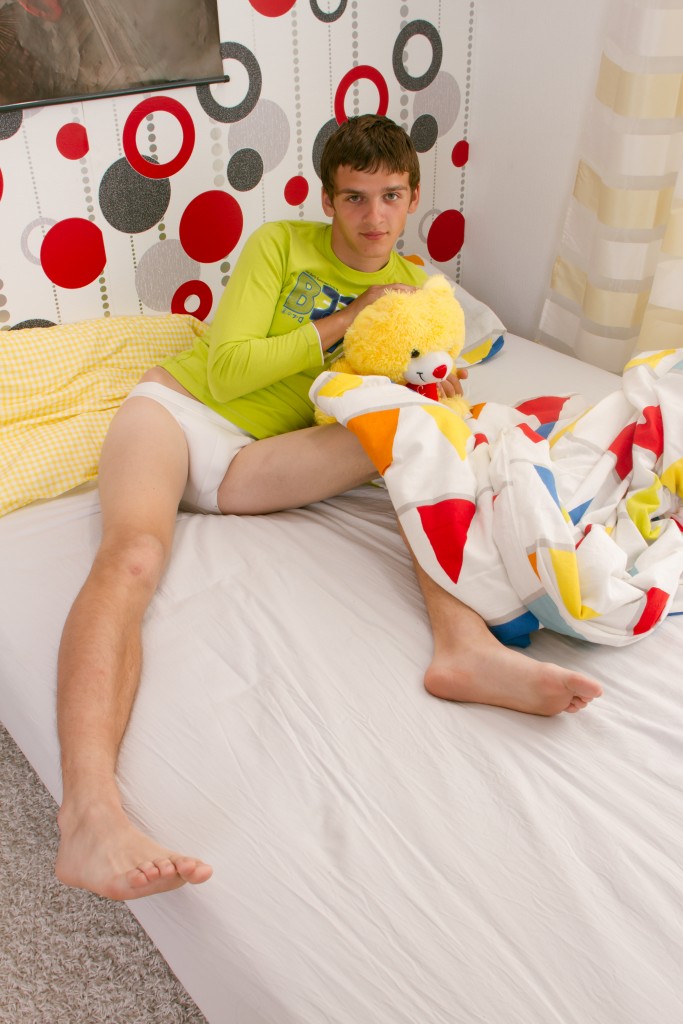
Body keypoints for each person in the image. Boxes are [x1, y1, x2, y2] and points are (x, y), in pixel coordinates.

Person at [54, 114, 602, 902]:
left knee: (428, 427)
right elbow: (230, 368)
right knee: (133, 557)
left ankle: (462, 648)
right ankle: (90, 818)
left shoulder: (417, 292)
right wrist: (350, 317)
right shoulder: (279, 245)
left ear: (413, 198)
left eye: (390, 197)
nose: (373, 217)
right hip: (179, 415)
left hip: (258, 464)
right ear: (327, 200)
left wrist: (429, 386)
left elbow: (396, 391)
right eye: (354, 198)